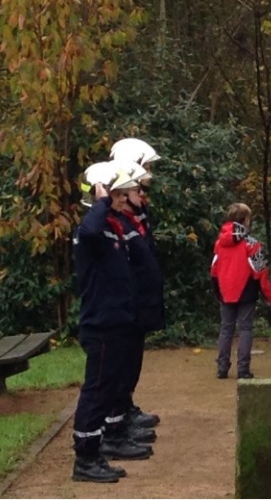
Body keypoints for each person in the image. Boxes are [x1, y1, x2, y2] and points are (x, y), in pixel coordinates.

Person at [72, 164, 152, 483]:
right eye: (118, 194)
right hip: (101, 324)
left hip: (116, 322)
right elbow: (90, 229)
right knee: (96, 391)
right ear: (102, 192)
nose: (122, 201)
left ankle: (101, 445)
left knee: (108, 389)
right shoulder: (91, 228)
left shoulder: (110, 226)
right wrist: (103, 197)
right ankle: (86, 457)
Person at [110, 137, 164, 433]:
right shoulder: (119, 213)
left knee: (133, 359)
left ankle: (126, 407)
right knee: (122, 362)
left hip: (139, 299)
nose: (148, 177)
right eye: (144, 169)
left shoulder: (138, 209)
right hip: (126, 303)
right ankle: (119, 416)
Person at [210, 203, 271, 379]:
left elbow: (214, 270)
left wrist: (217, 291)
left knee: (226, 329)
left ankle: (222, 368)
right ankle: (243, 369)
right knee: (245, 329)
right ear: (246, 220)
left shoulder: (219, 243)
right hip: (247, 291)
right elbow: (261, 272)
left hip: (225, 291)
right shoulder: (252, 244)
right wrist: (270, 296)